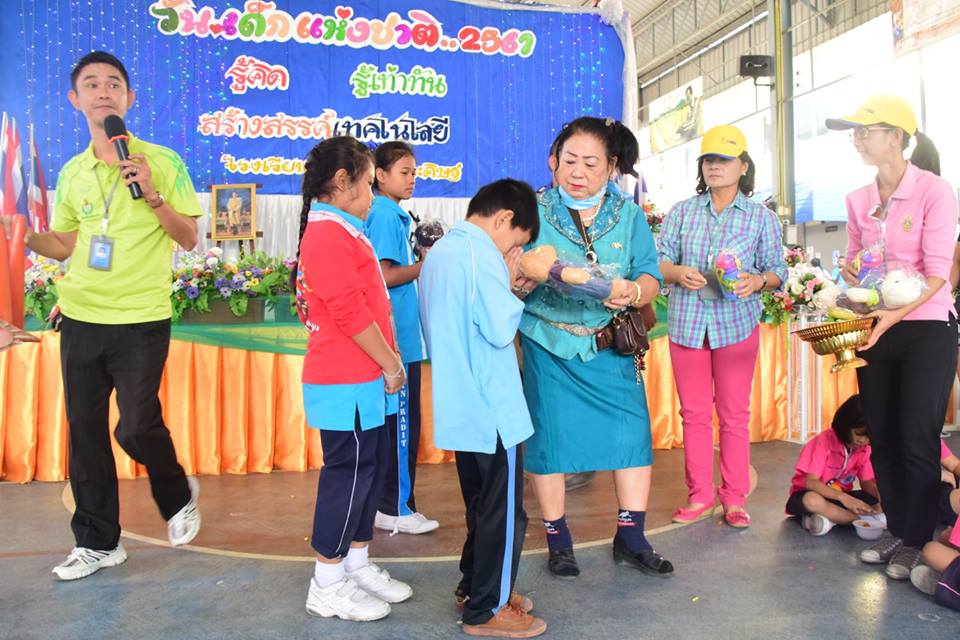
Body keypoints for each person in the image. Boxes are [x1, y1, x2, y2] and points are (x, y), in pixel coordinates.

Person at [11, 51, 203, 580]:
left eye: (113, 83)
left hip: (141, 316)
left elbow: (189, 237)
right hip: (80, 316)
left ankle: (176, 492)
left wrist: (153, 195)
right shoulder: (73, 172)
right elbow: (64, 244)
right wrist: (20, 233)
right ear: (75, 100)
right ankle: (98, 543)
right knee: (86, 432)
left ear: (129, 98)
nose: (103, 91)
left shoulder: (161, 161)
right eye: (91, 84)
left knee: (137, 425)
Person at [519, 116, 672, 578]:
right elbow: (511, 270)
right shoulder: (533, 211)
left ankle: (631, 536)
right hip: (549, 344)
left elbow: (650, 274)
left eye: (590, 163)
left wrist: (635, 291)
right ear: (553, 161)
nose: (578, 172)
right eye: (569, 160)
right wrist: (529, 274)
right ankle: (558, 539)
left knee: (631, 436)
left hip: (610, 345)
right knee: (550, 442)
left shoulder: (628, 214)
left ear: (611, 166)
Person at [828, 95, 958, 580]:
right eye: (855, 132)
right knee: (882, 436)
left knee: (916, 437)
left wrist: (894, 315)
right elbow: (857, 260)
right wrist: (849, 276)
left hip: (926, 328)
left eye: (866, 131)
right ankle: (900, 531)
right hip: (876, 328)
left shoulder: (934, 190)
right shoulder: (858, 199)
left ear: (897, 136)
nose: (857, 139)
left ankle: (919, 540)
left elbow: (938, 274)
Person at [293, 136, 413, 622]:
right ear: (342, 183)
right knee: (347, 477)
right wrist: (391, 364)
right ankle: (326, 581)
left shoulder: (346, 229)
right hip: (346, 379)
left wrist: (387, 359)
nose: (371, 197)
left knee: (369, 471)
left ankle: (356, 562)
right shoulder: (327, 233)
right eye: (367, 185)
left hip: (366, 378)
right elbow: (348, 312)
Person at [420, 178, 546, 638]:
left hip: (460, 400)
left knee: (482, 505)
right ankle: (487, 610)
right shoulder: (481, 255)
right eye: (516, 243)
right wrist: (512, 288)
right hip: (493, 405)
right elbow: (498, 328)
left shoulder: (440, 253)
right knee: (505, 510)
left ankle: (474, 587)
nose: (514, 253)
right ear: (504, 219)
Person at [658, 124, 787, 528]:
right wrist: (677, 273)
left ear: (743, 166)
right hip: (688, 325)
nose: (714, 167)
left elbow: (777, 271)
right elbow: (658, 262)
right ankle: (699, 495)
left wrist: (757, 281)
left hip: (736, 326)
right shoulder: (682, 212)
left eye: (724, 160)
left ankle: (734, 499)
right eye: (708, 160)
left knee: (734, 415)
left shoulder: (761, 217)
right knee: (694, 415)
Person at [363, 141, 438, 535]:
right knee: (402, 428)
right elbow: (384, 274)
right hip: (398, 339)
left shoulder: (394, 214)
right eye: (405, 172)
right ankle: (396, 507)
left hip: (402, 336)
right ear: (380, 175)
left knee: (399, 426)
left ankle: (394, 503)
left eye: (414, 173)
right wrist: (426, 265)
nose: (412, 180)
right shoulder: (385, 214)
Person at [784, 395, 880, 535]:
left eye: (869, 436)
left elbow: (866, 482)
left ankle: (830, 520)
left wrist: (881, 495)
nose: (864, 441)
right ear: (846, 425)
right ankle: (863, 520)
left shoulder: (865, 448)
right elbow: (811, 482)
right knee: (812, 500)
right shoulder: (822, 442)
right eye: (859, 434)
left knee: (878, 497)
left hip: (839, 498)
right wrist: (845, 499)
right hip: (809, 495)